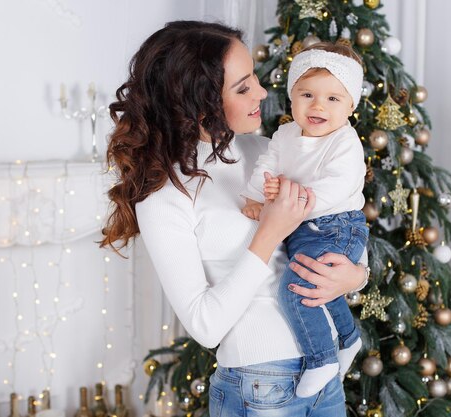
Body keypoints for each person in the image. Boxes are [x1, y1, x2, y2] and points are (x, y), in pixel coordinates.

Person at [100, 21, 369, 417]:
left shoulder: (270, 149)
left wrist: (357, 276)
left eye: (255, 79)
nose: (262, 92)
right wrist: (269, 233)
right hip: (260, 384)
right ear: (200, 100)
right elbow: (205, 327)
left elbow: (334, 225)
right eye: (242, 87)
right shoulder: (165, 195)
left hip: (326, 377)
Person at [241, 42, 368, 398]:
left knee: (296, 290)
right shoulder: (284, 135)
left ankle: (321, 358)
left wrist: (289, 199)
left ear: (351, 105)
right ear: (292, 96)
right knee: (322, 288)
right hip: (301, 225)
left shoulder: (345, 143)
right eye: (307, 94)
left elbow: (335, 188)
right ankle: (348, 338)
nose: (317, 106)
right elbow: (267, 168)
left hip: (337, 224)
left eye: (333, 99)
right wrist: (255, 196)